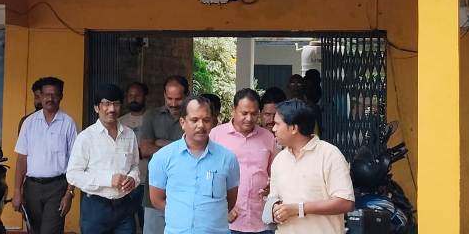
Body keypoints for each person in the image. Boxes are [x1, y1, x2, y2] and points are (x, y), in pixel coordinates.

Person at [148, 96, 240, 234]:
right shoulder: (163, 157)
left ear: (213, 122)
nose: (201, 125)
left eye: (206, 120)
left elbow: (230, 200)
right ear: (182, 122)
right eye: (194, 120)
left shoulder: (228, 158)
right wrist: (181, 213)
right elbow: (156, 199)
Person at [267, 100, 354, 234]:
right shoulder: (279, 160)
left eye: (277, 124)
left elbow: (346, 202)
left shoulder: (329, 155)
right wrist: (275, 211)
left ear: (294, 128)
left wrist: (299, 209)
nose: (273, 129)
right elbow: (274, 200)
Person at [67, 84, 141, 234]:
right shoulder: (86, 137)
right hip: (96, 208)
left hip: (124, 207)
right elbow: (73, 174)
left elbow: (135, 166)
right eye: (106, 104)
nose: (112, 109)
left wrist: (133, 179)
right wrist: (108, 180)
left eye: (116, 104)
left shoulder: (129, 134)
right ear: (97, 108)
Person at [13, 77, 78, 234]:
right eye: (47, 94)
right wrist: (17, 191)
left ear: (61, 96)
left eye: (54, 94)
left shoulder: (68, 123)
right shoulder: (29, 123)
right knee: (33, 230)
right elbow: (21, 159)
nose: (50, 98)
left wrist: (69, 193)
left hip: (57, 188)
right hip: (32, 188)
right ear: (40, 96)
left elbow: (75, 161)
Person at [210, 89, 276, 234]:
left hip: (261, 220)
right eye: (244, 113)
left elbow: (276, 174)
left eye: (254, 114)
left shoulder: (268, 137)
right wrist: (222, 209)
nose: (249, 118)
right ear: (233, 110)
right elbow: (207, 176)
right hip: (228, 222)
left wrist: (271, 186)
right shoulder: (216, 136)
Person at [140, 75, 189, 234]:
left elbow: (193, 150)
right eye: (169, 98)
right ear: (164, 95)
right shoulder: (151, 116)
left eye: (178, 99)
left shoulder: (193, 119)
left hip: (185, 193)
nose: (173, 104)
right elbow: (145, 149)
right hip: (154, 192)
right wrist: (178, 147)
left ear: (187, 95)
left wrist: (160, 143)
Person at [120, 82, 150, 233]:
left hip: (147, 181)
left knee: (146, 224)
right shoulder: (119, 122)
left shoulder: (152, 119)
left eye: (137, 95)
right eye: (130, 95)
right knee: (126, 225)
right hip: (125, 183)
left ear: (145, 96)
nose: (134, 98)